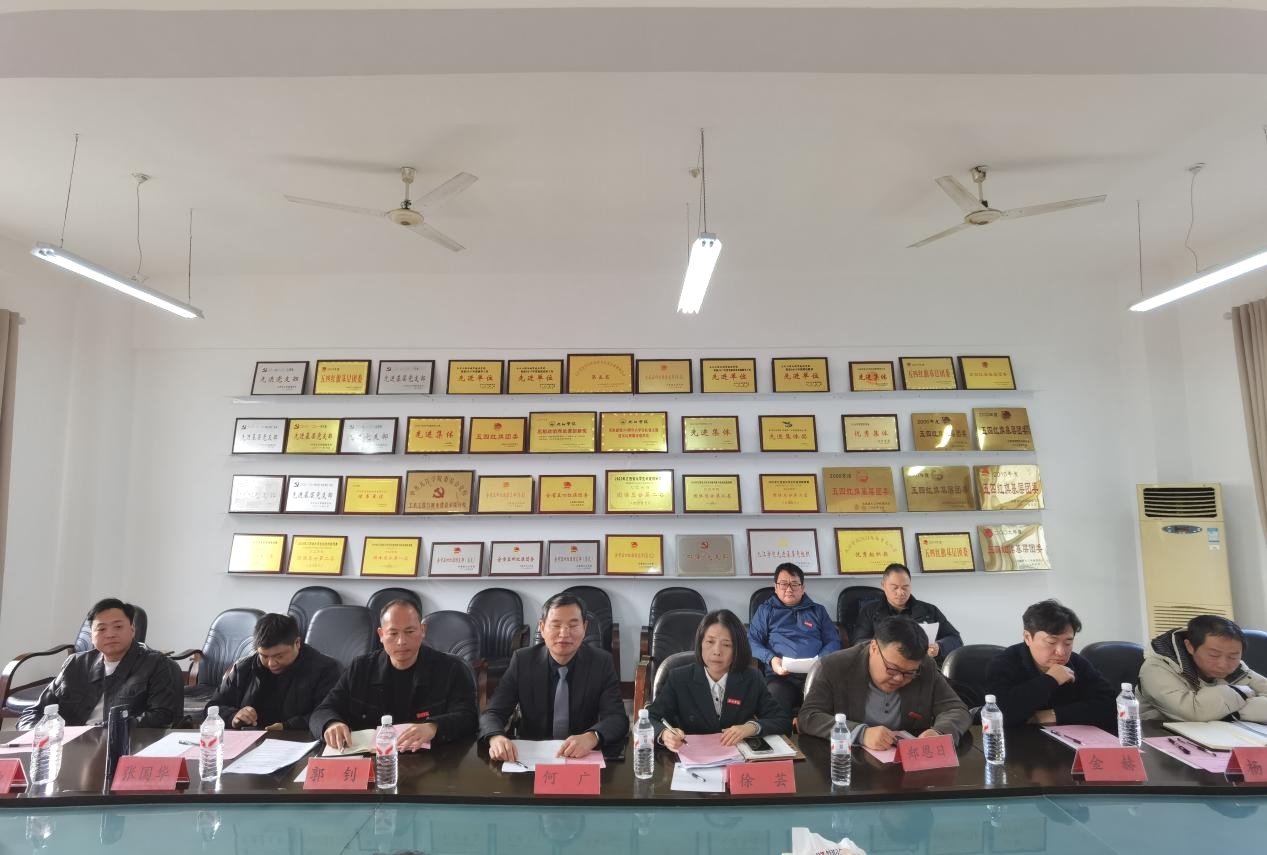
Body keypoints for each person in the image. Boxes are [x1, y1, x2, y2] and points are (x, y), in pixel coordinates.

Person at [310, 599, 477, 750]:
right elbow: (322, 711)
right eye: (393, 633)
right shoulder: (360, 669)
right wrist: (331, 724)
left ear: (422, 630)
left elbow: (468, 718)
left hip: (432, 760)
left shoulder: (450, 669)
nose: (401, 641)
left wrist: (433, 727)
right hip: (374, 762)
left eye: (410, 631)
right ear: (381, 635)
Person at [479, 593, 628, 761]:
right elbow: (493, 712)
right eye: (556, 625)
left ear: (585, 628)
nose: (564, 633)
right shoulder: (523, 661)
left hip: (582, 757)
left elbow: (617, 717)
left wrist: (592, 737)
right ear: (542, 628)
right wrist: (496, 737)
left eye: (573, 625)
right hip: (532, 757)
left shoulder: (601, 662)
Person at [799, 616, 970, 746]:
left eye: (909, 673)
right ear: (873, 648)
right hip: (847, 762)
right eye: (893, 669)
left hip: (905, 765)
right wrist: (860, 733)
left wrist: (938, 732)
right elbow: (809, 716)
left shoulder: (925, 667)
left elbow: (956, 709)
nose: (899, 678)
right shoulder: (834, 666)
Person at [20, 598, 182, 730]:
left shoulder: (154, 664)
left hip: (123, 744)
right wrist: (37, 735)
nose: (110, 634)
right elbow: (33, 713)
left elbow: (162, 717)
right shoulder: (75, 664)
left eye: (118, 626)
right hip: (70, 747)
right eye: (101, 629)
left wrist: (109, 728)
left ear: (132, 629)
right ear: (91, 635)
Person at [648, 609, 791, 749]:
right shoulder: (679, 678)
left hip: (737, 758)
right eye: (710, 642)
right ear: (700, 644)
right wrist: (664, 734)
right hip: (692, 756)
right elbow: (649, 718)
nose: (717, 652)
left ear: (738, 649)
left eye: (727, 645)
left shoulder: (752, 678)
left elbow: (781, 720)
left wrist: (751, 727)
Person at [984, 599, 1116, 729]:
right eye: (1051, 642)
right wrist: (1050, 680)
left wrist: (1054, 715)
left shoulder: (1077, 663)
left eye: (1068, 643)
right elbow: (1000, 713)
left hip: (1069, 739)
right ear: (1028, 638)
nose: (1061, 652)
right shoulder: (1003, 664)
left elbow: (1111, 705)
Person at [206, 613, 341, 730]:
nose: (271, 664)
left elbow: (328, 714)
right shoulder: (243, 668)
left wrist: (287, 726)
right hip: (250, 740)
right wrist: (233, 716)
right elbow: (212, 708)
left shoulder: (325, 670)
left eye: (279, 656)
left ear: (297, 643)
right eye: (264, 656)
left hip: (298, 739)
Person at [747, 562, 842, 713]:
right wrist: (771, 659)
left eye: (795, 584)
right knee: (775, 701)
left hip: (815, 675)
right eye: (784, 584)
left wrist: (820, 662)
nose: (789, 589)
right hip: (780, 677)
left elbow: (833, 641)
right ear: (776, 587)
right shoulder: (765, 611)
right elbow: (752, 641)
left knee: (828, 703)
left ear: (802, 588)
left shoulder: (818, 611)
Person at [1139, 614, 1267, 722]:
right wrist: (1241, 692)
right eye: (1214, 655)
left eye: (1233, 656)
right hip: (1160, 736)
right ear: (1190, 647)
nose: (1223, 664)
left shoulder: (1237, 668)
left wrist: (1225, 709)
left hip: (1219, 734)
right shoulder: (1156, 669)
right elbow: (1193, 712)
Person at [851, 564, 963, 662]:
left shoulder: (929, 610)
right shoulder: (870, 611)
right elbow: (858, 643)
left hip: (923, 666)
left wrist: (939, 647)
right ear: (883, 585)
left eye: (905, 587)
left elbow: (955, 639)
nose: (900, 592)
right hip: (886, 667)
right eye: (895, 587)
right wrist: (886, 647)